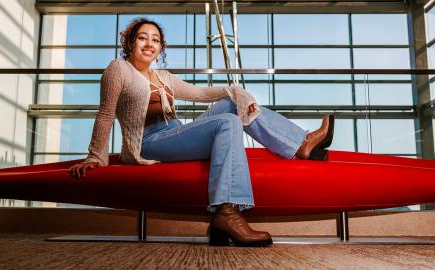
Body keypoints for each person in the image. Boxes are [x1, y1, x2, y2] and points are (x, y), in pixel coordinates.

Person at [69, 18, 334, 247]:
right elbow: (105, 114)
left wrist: (237, 92)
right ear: (129, 42)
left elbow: (202, 94)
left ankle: (300, 143)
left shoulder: (164, 77)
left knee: (232, 104)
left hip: (175, 135)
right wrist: (95, 157)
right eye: (142, 38)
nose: (149, 43)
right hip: (149, 143)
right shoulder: (118, 70)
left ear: (161, 47)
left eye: (156, 40)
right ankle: (226, 212)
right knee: (228, 122)